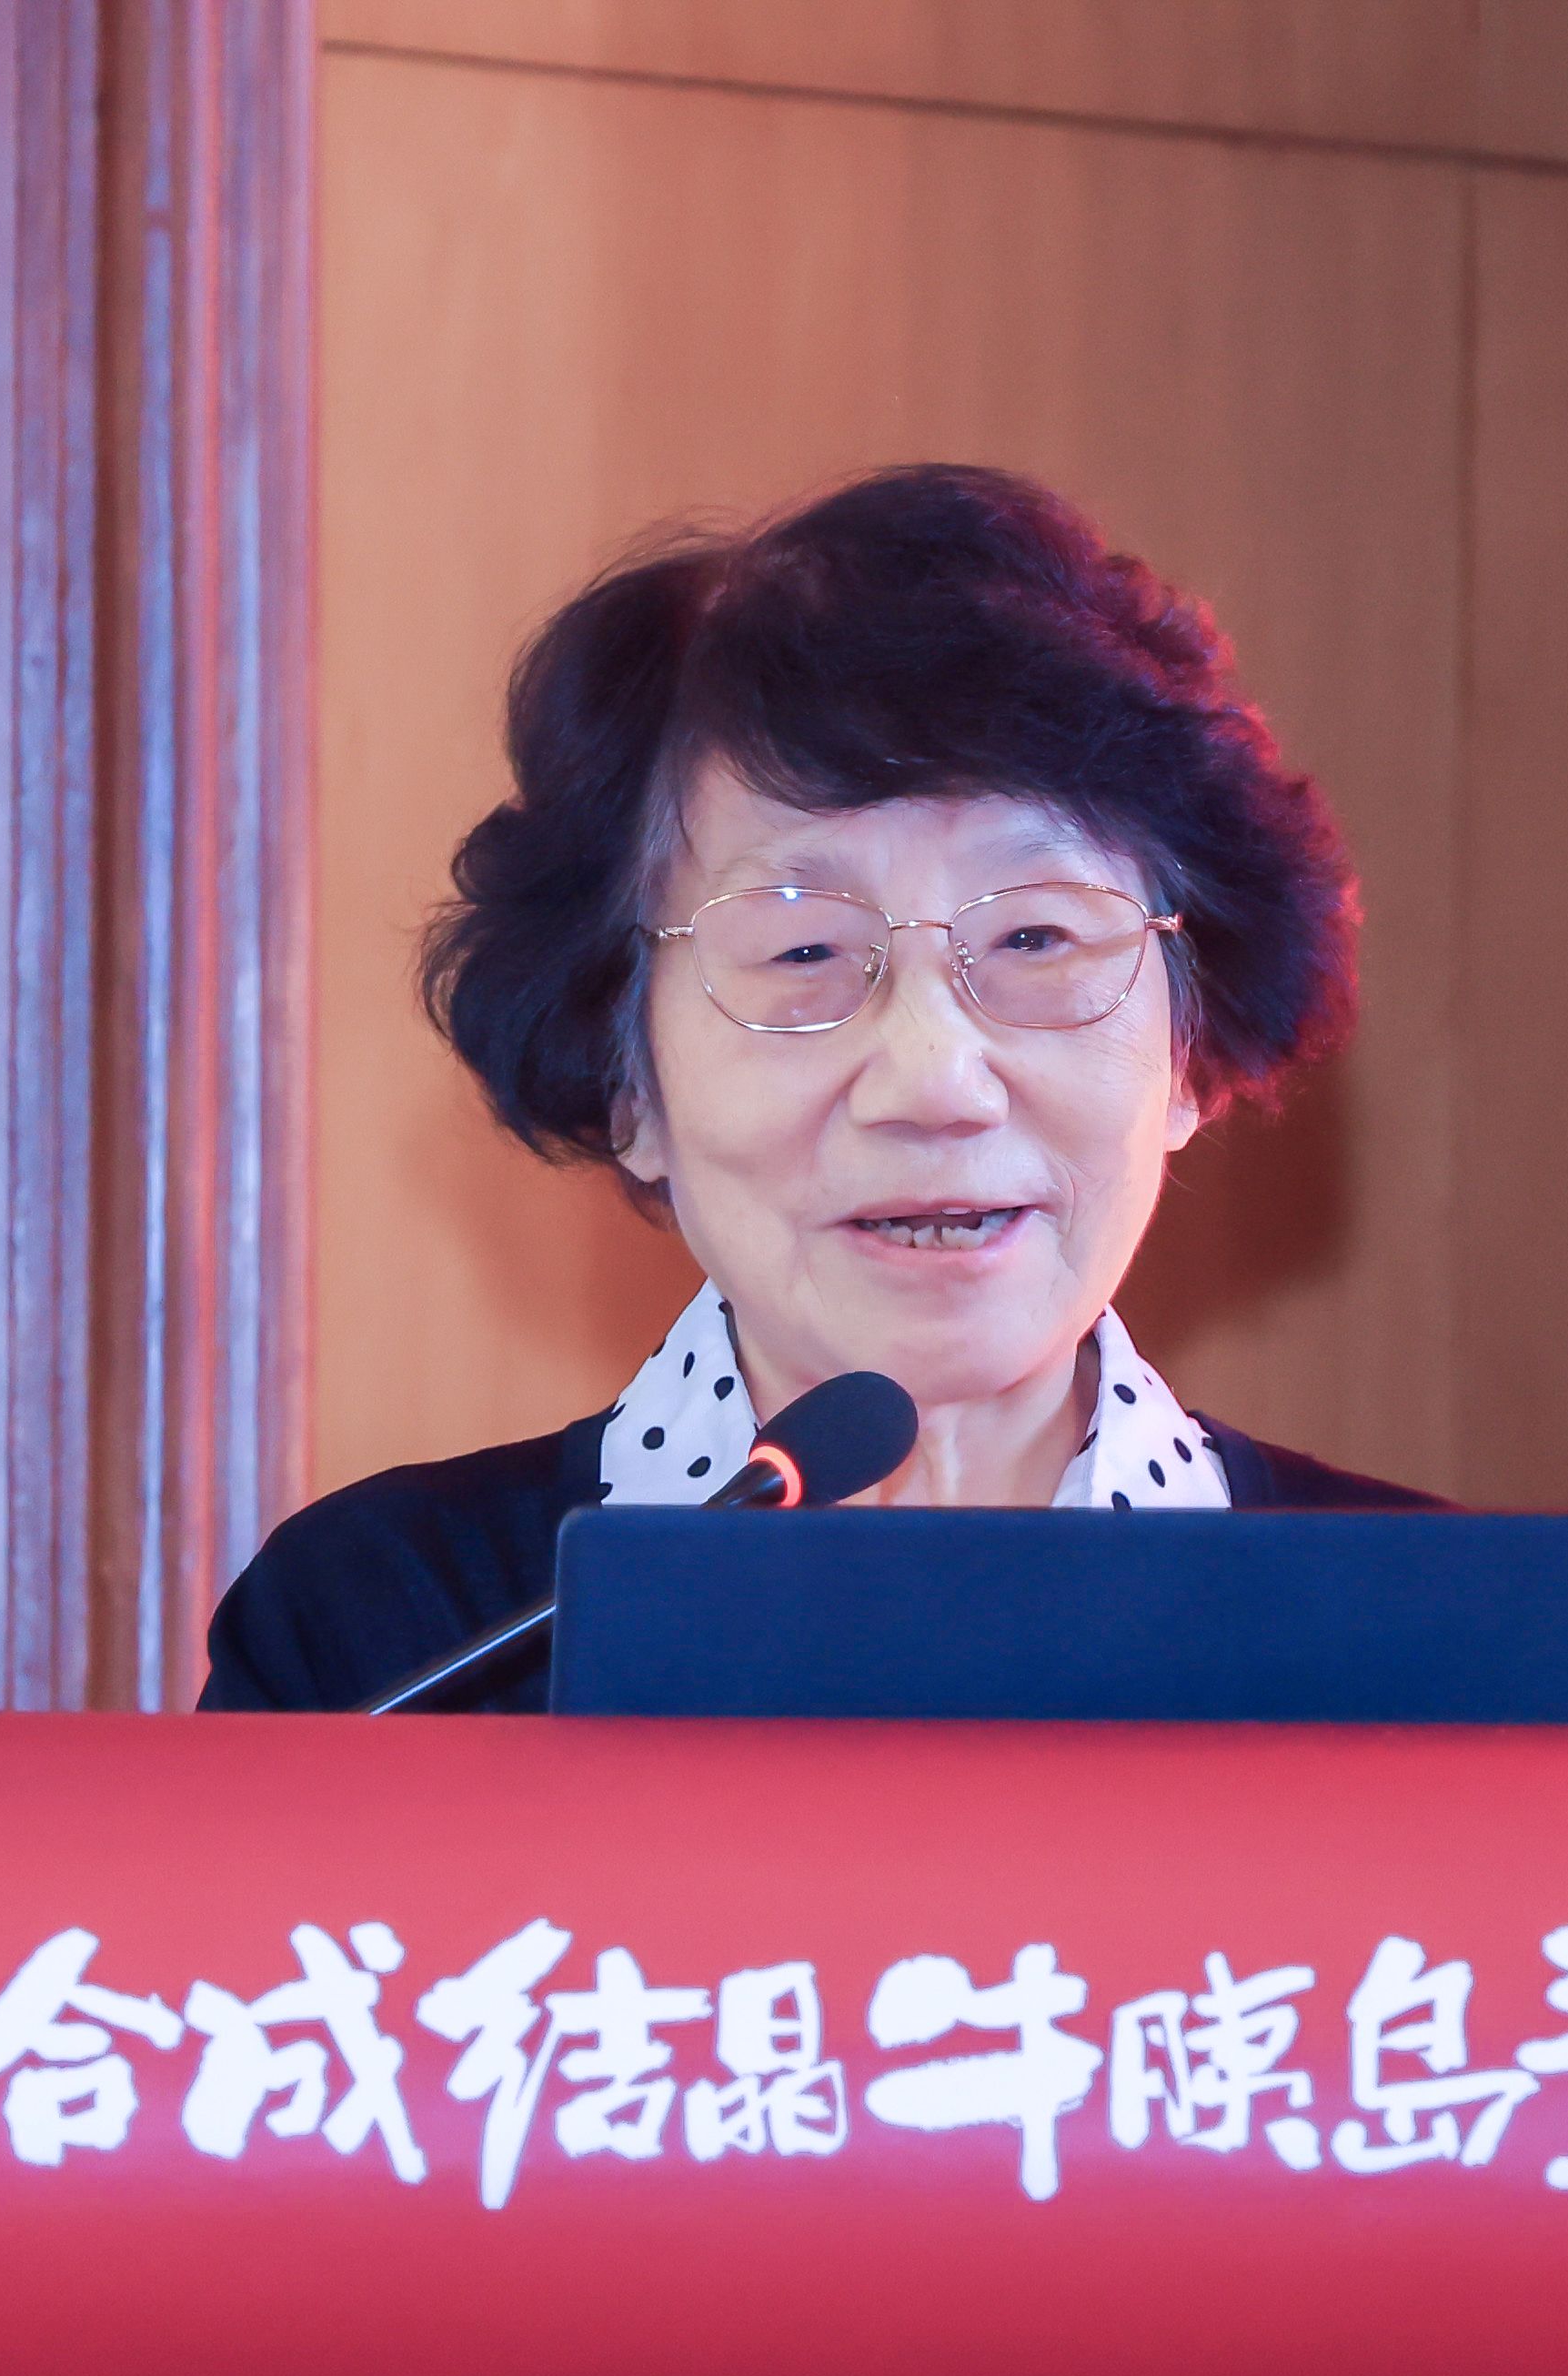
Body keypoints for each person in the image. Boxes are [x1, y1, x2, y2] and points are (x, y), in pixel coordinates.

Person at [204, 463, 1437, 1713]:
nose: (937, 1082)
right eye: (804, 954)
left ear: (1188, 1052)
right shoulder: (391, 1643)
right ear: (627, 1084)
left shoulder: (1436, 1643)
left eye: (1036, 938)